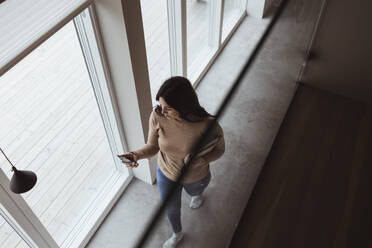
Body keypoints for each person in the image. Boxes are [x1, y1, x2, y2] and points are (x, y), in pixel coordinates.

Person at [119, 76, 225, 248]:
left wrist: (203, 159)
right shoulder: (158, 115)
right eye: (161, 105)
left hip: (196, 175)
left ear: (184, 107)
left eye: (168, 108)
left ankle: (197, 195)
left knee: (196, 192)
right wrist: (135, 155)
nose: (163, 111)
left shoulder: (208, 125)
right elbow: (152, 146)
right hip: (166, 173)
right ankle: (177, 234)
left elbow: (219, 150)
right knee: (171, 209)